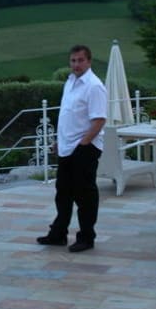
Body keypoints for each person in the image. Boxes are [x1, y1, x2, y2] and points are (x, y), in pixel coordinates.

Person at [37, 44, 107, 252]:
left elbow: (99, 120)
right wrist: (60, 142)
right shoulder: (70, 82)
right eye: (73, 61)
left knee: (85, 195)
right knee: (63, 193)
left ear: (89, 61)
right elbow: (69, 117)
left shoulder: (94, 86)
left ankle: (86, 237)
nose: (76, 64)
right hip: (67, 147)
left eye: (80, 60)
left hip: (84, 148)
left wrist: (83, 144)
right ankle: (58, 234)